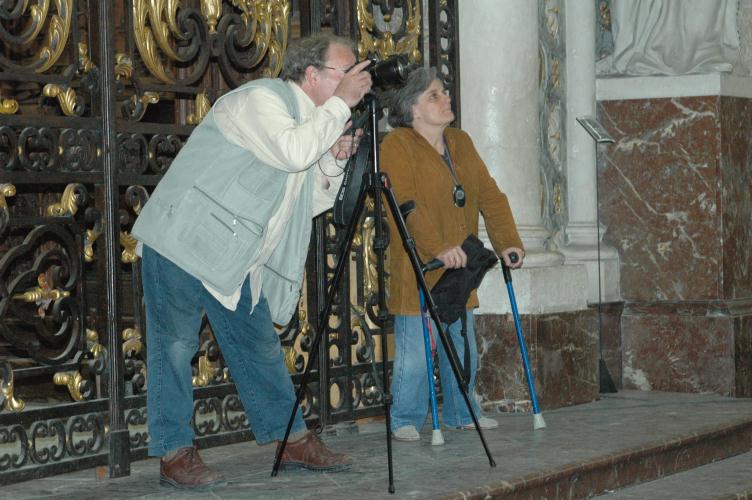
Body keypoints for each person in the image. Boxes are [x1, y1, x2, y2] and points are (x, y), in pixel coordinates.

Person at [131, 33, 372, 489]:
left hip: (232, 255)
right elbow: (292, 151)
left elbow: (309, 201)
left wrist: (335, 160)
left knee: (259, 348)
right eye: (346, 70)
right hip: (183, 240)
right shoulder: (262, 100)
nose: (356, 79)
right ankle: (174, 452)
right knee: (176, 347)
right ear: (311, 74)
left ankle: (292, 440)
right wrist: (339, 109)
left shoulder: (308, 125)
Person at [380, 67, 524, 442]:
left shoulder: (461, 141)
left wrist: (508, 240)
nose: (446, 99)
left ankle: (461, 412)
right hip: (420, 264)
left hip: (463, 264)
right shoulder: (397, 145)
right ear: (412, 108)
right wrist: (436, 249)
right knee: (414, 354)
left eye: (444, 92)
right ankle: (406, 417)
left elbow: (490, 195)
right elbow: (405, 205)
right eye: (434, 95)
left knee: (462, 346)